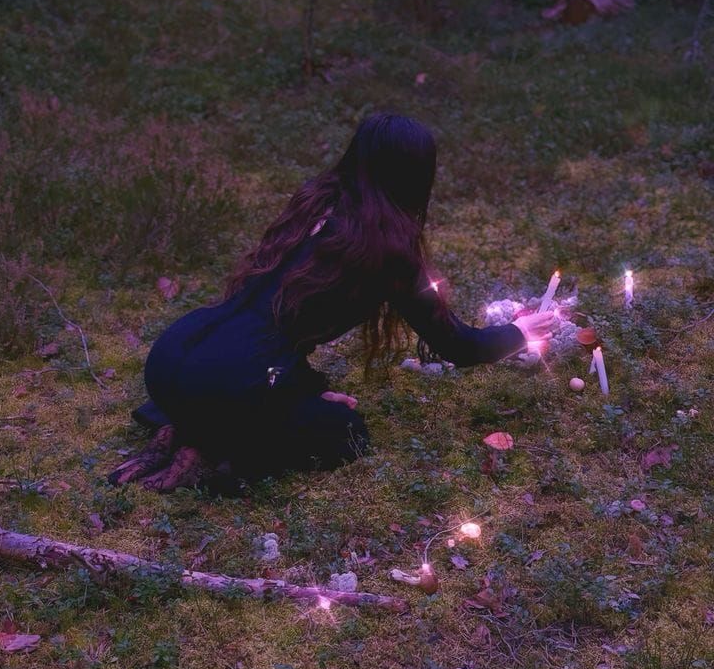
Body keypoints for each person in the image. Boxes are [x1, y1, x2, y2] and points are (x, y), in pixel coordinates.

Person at [108, 114, 554, 493]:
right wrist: (520, 333)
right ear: (416, 176)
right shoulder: (387, 249)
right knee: (348, 433)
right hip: (228, 377)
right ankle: (214, 448)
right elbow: (459, 345)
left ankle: (189, 424)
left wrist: (304, 388)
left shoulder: (315, 200)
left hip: (174, 354)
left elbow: (273, 326)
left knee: (269, 391)